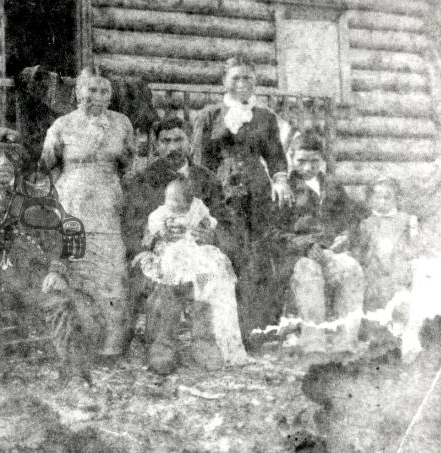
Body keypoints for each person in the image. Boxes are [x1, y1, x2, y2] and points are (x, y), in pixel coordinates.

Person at [0, 128, 90, 405]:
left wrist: (56, 270)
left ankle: (75, 378)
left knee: (60, 297)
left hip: (28, 281)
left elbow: (57, 237)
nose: (3, 162)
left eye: (11, 155)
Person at [190, 55, 293, 342]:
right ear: (224, 81)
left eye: (247, 77)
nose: (241, 83)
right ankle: (226, 331)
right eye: (235, 77)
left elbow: (275, 157)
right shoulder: (209, 116)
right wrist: (201, 201)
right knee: (229, 253)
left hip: (257, 194)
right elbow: (199, 163)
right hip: (222, 194)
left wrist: (281, 179)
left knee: (256, 257)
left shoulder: (265, 117)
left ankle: (254, 330)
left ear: (255, 82)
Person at [40, 66, 135, 360]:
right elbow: (48, 164)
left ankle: (111, 343)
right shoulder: (62, 125)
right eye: (91, 90)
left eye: (104, 91)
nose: (97, 96)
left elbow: (128, 163)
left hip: (107, 203)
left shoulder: (121, 123)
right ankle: (81, 341)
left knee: (110, 270)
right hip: (73, 202)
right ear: (78, 92)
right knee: (77, 268)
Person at [134, 176, 248, 369]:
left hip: (195, 257)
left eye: (178, 202)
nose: (172, 205)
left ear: (189, 201)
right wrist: (161, 232)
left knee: (206, 286)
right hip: (168, 258)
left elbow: (213, 224)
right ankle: (163, 347)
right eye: (169, 200)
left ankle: (203, 344)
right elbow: (148, 229)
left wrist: (207, 231)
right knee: (168, 291)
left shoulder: (197, 207)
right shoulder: (160, 209)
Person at [274, 129, 369, 356]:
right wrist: (305, 246)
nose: (307, 168)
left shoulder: (332, 186)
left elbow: (354, 215)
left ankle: (345, 345)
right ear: (290, 156)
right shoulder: (283, 189)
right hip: (298, 257)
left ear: (322, 160)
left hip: (330, 254)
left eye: (314, 162)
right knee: (309, 273)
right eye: (301, 161)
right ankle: (313, 346)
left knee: (351, 269)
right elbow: (272, 233)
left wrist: (348, 235)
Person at [355, 177, 419, 312]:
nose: (382, 201)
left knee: (401, 299)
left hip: (399, 268)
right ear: (370, 200)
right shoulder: (366, 223)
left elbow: (414, 247)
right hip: (375, 270)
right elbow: (361, 250)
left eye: (387, 197)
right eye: (378, 197)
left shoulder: (407, 220)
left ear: (396, 199)